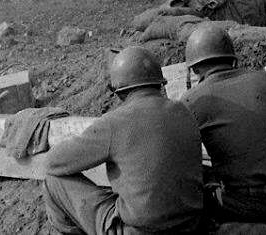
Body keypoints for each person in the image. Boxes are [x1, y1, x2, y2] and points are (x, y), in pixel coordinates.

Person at [42, 46, 203, 235]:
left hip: (139, 231)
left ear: (118, 91)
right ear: (160, 83)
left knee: (53, 182)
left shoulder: (114, 122)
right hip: (191, 225)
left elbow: (52, 163)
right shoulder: (184, 111)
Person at [180, 24, 266, 235]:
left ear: (194, 69)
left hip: (247, 204)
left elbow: (182, 157)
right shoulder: (264, 78)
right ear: (232, 59)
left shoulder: (191, 100)